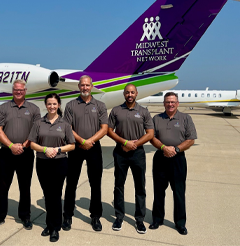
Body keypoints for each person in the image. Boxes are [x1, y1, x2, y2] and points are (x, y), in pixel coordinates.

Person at [0, 79, 41, 230]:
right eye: (16, 90)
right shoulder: (4, 107)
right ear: (12, 91)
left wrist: (24, 145)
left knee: (25, 186)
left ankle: (25, 216)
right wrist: (11, 146)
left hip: (26, 153)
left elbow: (36, 131)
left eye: (21, 90)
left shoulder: (33, 108)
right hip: (6, 153)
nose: (18, 92)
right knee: (3, 186)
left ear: (25, 91)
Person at [62, 75, 108, 232]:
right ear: (79, 87)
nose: (85, 88)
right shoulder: (71, 105)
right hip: (76, 147)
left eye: (87, 85)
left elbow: (104, 128)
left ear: (92, 86)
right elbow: (67, 127)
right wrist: (82, 141)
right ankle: (67, 215)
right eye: (82, 85)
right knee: (71, 183)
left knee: (95, 183)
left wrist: (90, 141)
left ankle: (95, 216)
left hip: (94, 147)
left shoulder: (100, 105)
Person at [107, 84, 154, 234]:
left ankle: (139, 220)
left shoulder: (143, 111)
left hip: (138, 153)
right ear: (124, 94)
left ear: (136, 94)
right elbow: (108, 130)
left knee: (140, 187)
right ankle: (119, 217)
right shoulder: (116, 110)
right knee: (119, 185)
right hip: (120, 152)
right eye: (127, 92)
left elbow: (150, 133)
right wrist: (124, 142)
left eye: (132, 92)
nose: (130, 94)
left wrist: (134, 144)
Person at [28, 93, 75, 242]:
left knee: (55, 194)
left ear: (59, 105)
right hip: (42, 162)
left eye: (54, 104)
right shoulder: (38, 123)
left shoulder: (65, 124)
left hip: (60, 162)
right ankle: (50, 223)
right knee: (48, 194)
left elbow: (72, 145)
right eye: (49, 104)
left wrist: (58, 149)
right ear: (46, 105)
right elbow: (32, 143)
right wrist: (44, 149)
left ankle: (55, 227)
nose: (52, 106)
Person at [149, 92, 197, 235]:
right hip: (160, 157)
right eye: (167, 102)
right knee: (158, 191)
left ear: (177, 103)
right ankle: (157, 219)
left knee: (179, 192)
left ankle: (180, 223)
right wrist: (164, 148)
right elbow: (151, 137)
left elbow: (191, 139)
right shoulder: (157, 118)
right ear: (164, 103)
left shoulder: (186, 118)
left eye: (173, 102)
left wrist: (176, 149)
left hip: (178, 159)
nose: (170, 104)